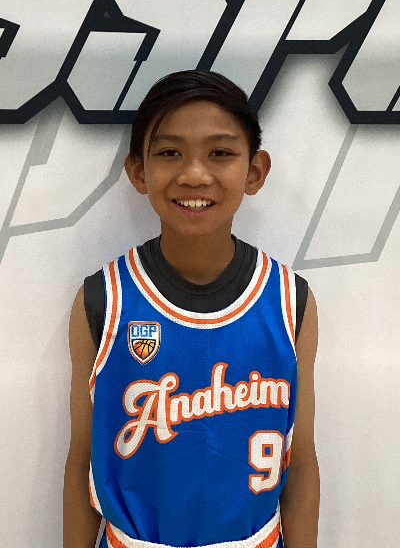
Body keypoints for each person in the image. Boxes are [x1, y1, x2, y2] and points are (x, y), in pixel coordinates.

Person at [64, 70, 319, 548]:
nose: (195, 174)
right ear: (138, 171)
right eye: (169, 153)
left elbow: (300, 460)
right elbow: (84, 461)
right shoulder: (104, 299)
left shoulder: (290, 299)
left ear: (255, 171)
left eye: (220, 153)